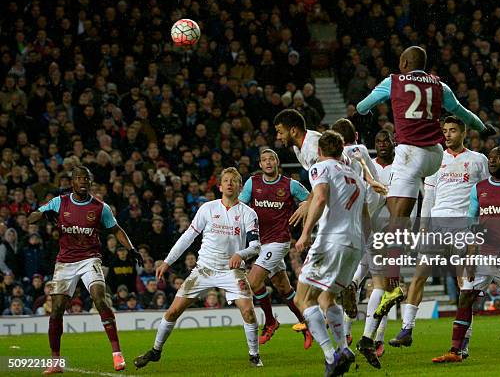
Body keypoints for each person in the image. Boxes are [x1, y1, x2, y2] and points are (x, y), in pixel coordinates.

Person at [354, 46, 495, 329]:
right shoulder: (439, 85)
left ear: (404, 62)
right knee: (412, 204)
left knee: (396, 220)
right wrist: (482, 128)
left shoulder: (393, 81)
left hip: (409, 154)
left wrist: (367, 109)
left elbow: (362, 106)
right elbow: (463, 112)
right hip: (435, 154)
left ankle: (392, 284)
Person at [133, 167, 263, 369]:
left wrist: (241, 254)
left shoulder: (248, 213)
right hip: (204, 269)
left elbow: (255, 245)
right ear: (220, 186)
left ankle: (254, 355)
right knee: (173, 311)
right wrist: (168, 261)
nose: (229, 183)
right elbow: (188, 237)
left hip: (232, 271)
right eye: (226, 180)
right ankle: (156, 351)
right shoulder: (207, 208)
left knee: (248, 312)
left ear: (239, 187)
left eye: (234, 181)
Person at [388, 117, 489, 359]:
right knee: (420, 275)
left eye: (453, 130)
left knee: (465, 285)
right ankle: (407, 329)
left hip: (463, 225)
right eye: (445, 131)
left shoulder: (477, 160)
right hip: (436, 223)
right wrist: (423, 228)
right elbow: (429, 196)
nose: (448, 135)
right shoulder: (435, 158)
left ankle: (463, 342)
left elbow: (485, 196)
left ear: (464, 132)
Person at [27, 165, 143, 374]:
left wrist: (132, 249)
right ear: (72, 182)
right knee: (57, 309)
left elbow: (116, 230)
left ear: (90, 182)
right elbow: (31, 217)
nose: (83, 181)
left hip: (90, 259)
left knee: (100, 298)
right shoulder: (59, 202)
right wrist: (44, 214)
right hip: (65, 262)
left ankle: (117, 354)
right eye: (79, 178)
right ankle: (55, 361)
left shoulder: (100, 207)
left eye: (86, 178)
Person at [432, 147, 500, 363]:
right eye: (490, 158)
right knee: (466, 296)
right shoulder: (478, 189)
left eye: (497, 158)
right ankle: (455, 351)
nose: (492, 161)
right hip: (482, 254)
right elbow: (471, 222)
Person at [294, 131, 370, 376]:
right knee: (327, 298)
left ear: (319, 151)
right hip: (355, 244)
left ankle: (330, 355)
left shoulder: (320, 167)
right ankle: (344, 348)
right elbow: (365, 216)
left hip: (331, 241)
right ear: (341, 151)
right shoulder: (356, 177)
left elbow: (320, 197)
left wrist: (305, 233)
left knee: (302, 299)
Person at [238, 148, 313, 348]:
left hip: (279, 241)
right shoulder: (252, 183)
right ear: (260, 165)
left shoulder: (290, 185)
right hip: (260, 243)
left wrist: (305, 205)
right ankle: (307, 324)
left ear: (277, 162)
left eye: (272, 159)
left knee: (253, 282)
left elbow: (312, 199)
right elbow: (240, 208)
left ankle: (270, 322)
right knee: (284, 288)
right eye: (264, 160)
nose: (268, 162)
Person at [342, 129, 396, 360]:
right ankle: (377, 338)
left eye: (386, 140)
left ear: (394, 143)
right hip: (373, 230)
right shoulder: (367, 165)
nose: (382, 144)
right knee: (387, 286)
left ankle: (346, 335)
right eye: (378, 141)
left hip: (379, 230)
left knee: (357, 278)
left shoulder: (401, 168)